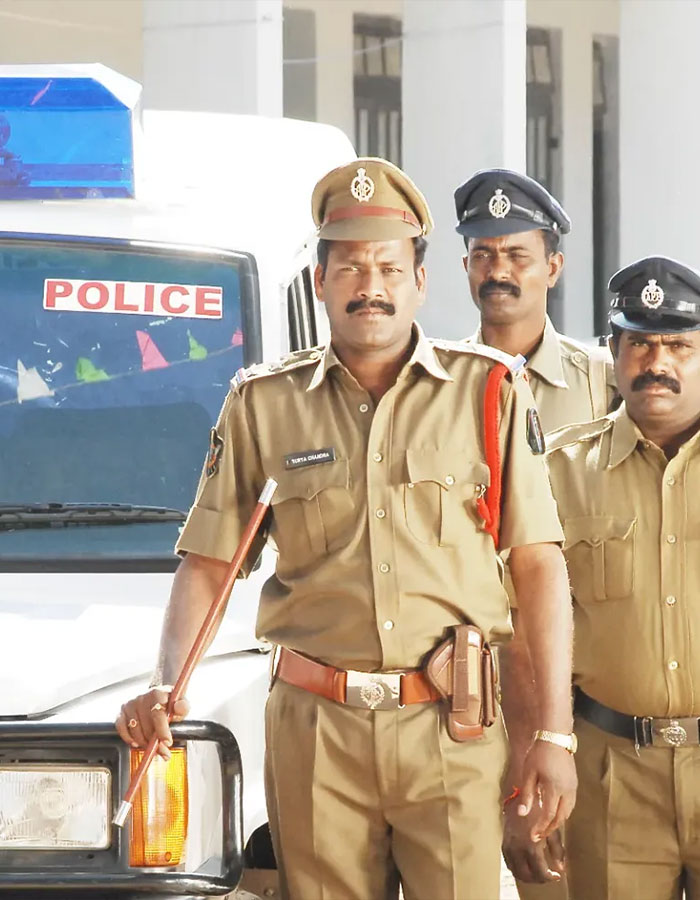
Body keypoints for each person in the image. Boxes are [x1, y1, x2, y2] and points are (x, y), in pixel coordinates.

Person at [116, 157, 576, 900]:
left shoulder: (489, 391)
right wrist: (168, 683)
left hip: (450, 731)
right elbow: (208, 564)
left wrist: (552, 734)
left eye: (390, 268)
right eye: (351, 268)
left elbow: (537, 567)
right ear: (322, 282)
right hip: (315, 733)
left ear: (420, 281)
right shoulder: (264, 404)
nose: (372, 287)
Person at [453, 168, 616, 898]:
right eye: (484, 255)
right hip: (471, 689)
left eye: (517, 255)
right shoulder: (436, 385)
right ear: (463, 268)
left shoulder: (606, 382)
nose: (500, 272)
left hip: (584, 683)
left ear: (552, 265)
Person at [541, 256, 700, 900]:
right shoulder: (557, 470)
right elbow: (519, 630)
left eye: (678, 345)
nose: (655, 361)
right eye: (638, 343)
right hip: (609, 769)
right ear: (613, 353)